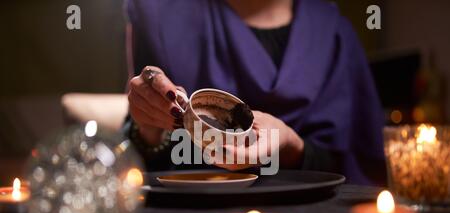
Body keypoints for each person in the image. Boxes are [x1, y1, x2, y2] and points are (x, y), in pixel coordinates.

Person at [125, 0, 386, 185]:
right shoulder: (159, 15)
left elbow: (356, 166)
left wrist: (291, 146)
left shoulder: (333, 33)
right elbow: (140, 159)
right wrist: (149, 127)